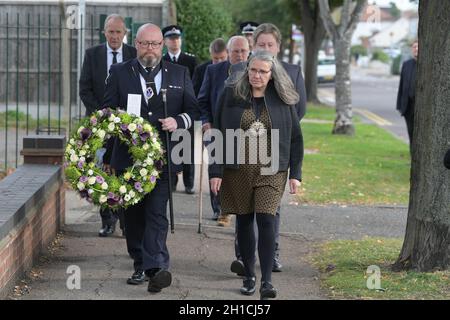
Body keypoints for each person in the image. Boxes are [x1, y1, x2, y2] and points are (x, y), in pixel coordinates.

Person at [103, 23, 199, 293]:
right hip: (129, 158)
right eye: (144, 44)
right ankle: (139, 263)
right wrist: (121, 122)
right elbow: (106, 109)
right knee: (133, 215)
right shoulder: (120, 72)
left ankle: (156, 267)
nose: (150, 49)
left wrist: (178, 120)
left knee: (156, 212)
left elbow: (193, 110)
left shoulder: (179, 73)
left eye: (155, 44)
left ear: (162, 45)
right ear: (136, 44)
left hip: (164, 158)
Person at [209, 50, 303, 299]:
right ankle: (249, 275)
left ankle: (267, 282)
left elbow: (295, 138)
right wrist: (215, 171)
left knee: (266, 219)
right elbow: (217, 134)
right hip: (237, 170)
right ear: (247, 70)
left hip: (272, 170)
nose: (256, 75)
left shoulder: (282, 99)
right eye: (253, 70)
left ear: (272, 75)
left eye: (262, 71)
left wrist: (296, 173)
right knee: (244, 222)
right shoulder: (231, 94)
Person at [229, 23, 307, 275]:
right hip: (243, 152)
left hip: (276, 150)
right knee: (244, 211)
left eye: (270, 45)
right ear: (253, 46)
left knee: (269, 211)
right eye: (260, 44)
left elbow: (299, 109)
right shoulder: (240, 71)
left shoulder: (292, 72)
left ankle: (271, 254)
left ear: (278, 47)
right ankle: (244, 257)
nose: (265, 48)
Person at [79, 13, 136, 237]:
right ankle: (107, 220)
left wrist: (123, 118)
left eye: (118, 32)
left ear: (124, 34)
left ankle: (125, 219)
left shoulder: (132, 54)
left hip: (125, 124)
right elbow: (84, 88)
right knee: (102, 170)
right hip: (99, 124)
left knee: (123, 170)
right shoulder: (92, 55)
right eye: (110, 32)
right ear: (104, 32)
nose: (114, 36)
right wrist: (102, 116)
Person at [198, 36, 250, 223]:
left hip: (244, 131)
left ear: (249, 51)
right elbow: (202, 100)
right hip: (216, 128)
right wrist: (206, 122)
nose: (239, 55)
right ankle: (221, 208)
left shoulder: (255, 71)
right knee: (219, 167)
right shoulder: (214, 71)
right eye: (235, 51)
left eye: (243, 51)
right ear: (228, 52)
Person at [162, 24, 198, 194]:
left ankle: (189, 181)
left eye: (177, 38)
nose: (174, 42)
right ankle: (172, 180)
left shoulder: (190, 60)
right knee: (171, 147)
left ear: (180, 40)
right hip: (169, 110)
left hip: (186, 110)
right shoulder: (162, 61)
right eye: (171, 39)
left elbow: (195, 85)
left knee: (187, 147)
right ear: (165, 42)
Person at [397, 39, 418, 148]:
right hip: (408, 106)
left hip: (419, 106)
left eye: (418, 47)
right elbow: (401, 86)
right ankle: (413, 156)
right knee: (411, 132)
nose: (416, 49)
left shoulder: (426, 65)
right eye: (414, 47)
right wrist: (399, 105)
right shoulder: (406, 64)